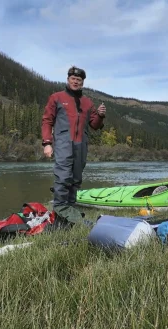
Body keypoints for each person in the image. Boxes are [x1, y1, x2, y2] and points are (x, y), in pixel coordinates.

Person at [41, 66, 106, 218]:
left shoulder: (87, 103)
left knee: (76, 179)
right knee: (63, 177)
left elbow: (95, 125)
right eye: (73, 79)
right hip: (63, 144)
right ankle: (59, 212)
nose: (76, 82)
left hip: (81, 145)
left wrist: (101, 116)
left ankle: (70, 210)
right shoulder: (56, 98)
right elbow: (47, 121)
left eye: (79, 80)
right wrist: (47, 143)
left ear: (83, 82)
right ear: (68, 79)